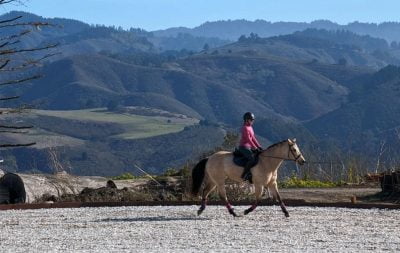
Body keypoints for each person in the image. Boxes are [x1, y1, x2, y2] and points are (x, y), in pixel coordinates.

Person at [239, 112, 263, 182]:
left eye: (253, 120)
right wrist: (255, 148)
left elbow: (253, 138)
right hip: (243, 147)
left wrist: (259, 146)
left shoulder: (250, 127)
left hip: (249, 147)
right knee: (252, 159)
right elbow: (248, 139)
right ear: (246, 120)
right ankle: (245, 174)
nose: (253, 121)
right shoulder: (245, 128)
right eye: (251, 120)